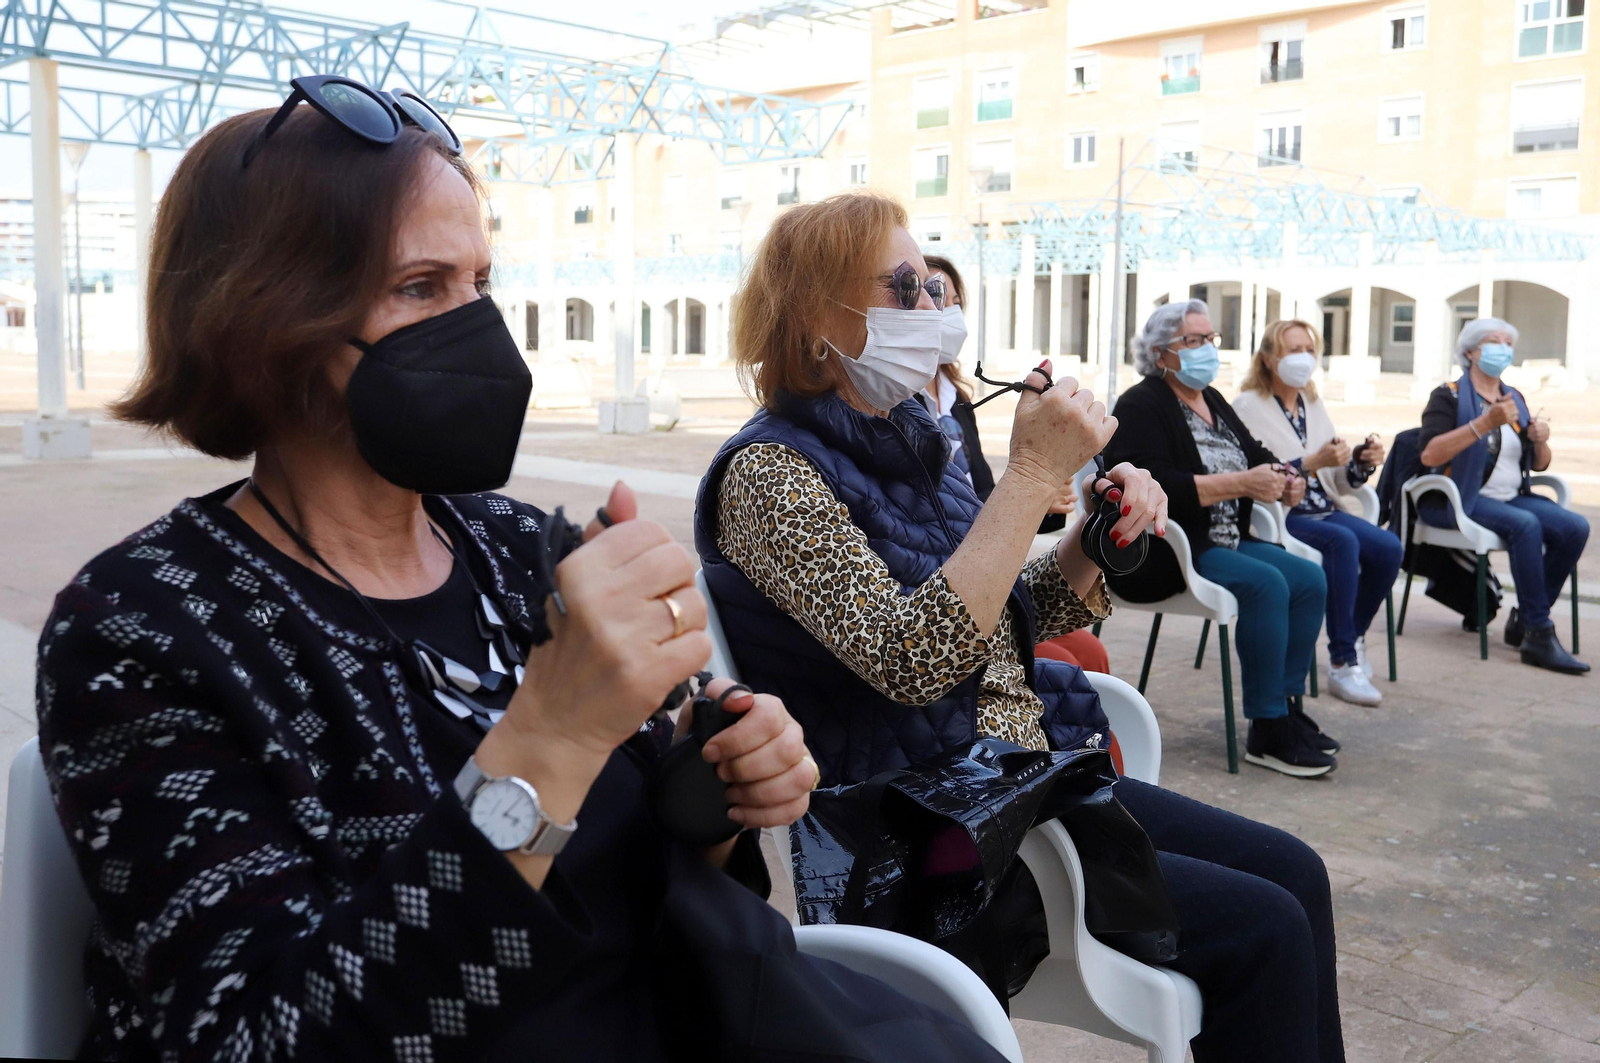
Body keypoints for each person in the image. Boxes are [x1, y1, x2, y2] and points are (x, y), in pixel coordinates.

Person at [34, 88, 1015, 1063]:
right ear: (266, 315)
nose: (479, 331)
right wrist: (552, 732)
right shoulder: (145, 628)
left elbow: (673, 887)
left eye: (479, 284)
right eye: (422, 287)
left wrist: (712, 782)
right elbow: (263, 1039)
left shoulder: (517, 550)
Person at [696, 192, 1345, 1063]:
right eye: (907, 287)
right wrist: (1032, 470)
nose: (937, 309)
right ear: (818, 316)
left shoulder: (914, 442)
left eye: (934, 286)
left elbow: (1005, 622)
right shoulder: (769, 474)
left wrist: (1096, 541)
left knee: (1297, 871)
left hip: (1022, 778)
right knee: (1265, 930)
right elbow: (911, 657)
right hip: (926, 827)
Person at [1106, 301, 1336, 778]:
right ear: (1161, 352)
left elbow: (1256, 455)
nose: (1207, 349)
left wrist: (1286, 478)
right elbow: (1155, 483)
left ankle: (1288, 707)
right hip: (1176, 548)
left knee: (1310, 578)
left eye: (1211, 339)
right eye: (1193, 341)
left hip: (1228, 538)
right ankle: (1267, 727)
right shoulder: (1141, 403)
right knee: (1266, 584)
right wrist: (1243, 484)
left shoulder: (1213, 399)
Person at [922, 253, 1108, 673]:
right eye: (931, 295)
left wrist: (1042, 497)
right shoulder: (891, 404)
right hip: (951, 585)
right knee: (1069, 662)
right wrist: (1030, 480)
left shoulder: (958, 399)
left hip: (990, 566)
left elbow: (982, 499)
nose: (945, 311)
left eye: (954, 302)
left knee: (1090, 652)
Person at [1233, 319, 1403, 706]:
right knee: (1342, 542)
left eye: (1309, 350)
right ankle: (1342, 662)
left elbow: (1335, 479)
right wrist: (1310, 461)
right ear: (1269, 359)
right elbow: (1254, 474)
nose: (1304, 358)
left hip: (1324, 508)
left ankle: (1354, 636)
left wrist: (1358, 461)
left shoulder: (1312, 403)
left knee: (1389, 547)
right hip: (1280, 516)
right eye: (1293, 350)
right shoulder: (1246, 407)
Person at [1416, 317, 1589, 674]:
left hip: (1512, 495)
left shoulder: (1514, 399)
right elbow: (1430, 455)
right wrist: (1483, 423)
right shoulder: (1447, 395)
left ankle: (1525, 618)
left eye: (1507, 343)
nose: (1502, 349)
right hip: (1462, 497)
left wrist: (1541, 439)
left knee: (1575, 527)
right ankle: (1539, 634)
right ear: (1470, 351)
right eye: (1493, 342)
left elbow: (1538, 464)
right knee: (1525, 525)